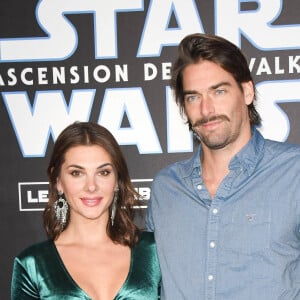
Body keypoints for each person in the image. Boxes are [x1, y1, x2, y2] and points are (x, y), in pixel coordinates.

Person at [146, 33, 300, 299]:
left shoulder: (293, 172)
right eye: (193, 97)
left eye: (219, 91)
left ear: (247, 92)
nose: (206, 109)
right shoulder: (166, 188)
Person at [11, 122, 161, 299]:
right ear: (58, 180)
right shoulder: (32, 265)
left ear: (117, 180)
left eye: (103, 172)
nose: (91, 186)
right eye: (77, 173)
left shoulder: (154, 251)